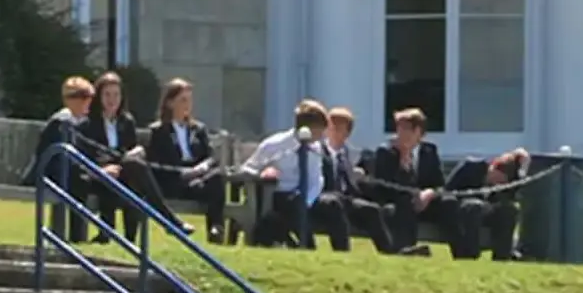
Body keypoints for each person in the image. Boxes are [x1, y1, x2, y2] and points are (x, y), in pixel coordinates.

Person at [366, 108, 489, 260]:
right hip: (398, 202)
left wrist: (429, 194)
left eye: (405, 129)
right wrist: (404, 163)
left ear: (418, 132)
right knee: (405, 202)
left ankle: (463, 253)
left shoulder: (429, 150)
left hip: (426, 202)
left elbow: (439, 184)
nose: (400, 133)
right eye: (398, 128)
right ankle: (407, 249)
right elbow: (385, 186)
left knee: (448, 202)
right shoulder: (386, 152)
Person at [246, 98, 348, 249]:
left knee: (333, 204)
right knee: (294, 204)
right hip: (279, 195)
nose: (321, 136)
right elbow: (248, 168)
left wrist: (307, 201)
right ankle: (307, 247)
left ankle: (342, 251)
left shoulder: (315, 148)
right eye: (319, 131)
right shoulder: (274, 145)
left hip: (305, 196)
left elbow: (316, 180)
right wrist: (263, 172)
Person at [141, 77, 226, 241]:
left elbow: (211, 156)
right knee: (190, 180)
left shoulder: (198, 129)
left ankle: (216, 228)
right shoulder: (159, 131)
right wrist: (183, 172)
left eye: (189, 100)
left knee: (217, 177)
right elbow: (156, 163)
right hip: (173, 181)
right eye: (183, 100)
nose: (187, 105)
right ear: (170, 103)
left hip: (196, 179)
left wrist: (203, 166)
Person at [23, 76, 97, 242]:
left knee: (82, 180)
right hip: (48, 174)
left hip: (66, 173)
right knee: (79, 181)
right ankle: (75, 237)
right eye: (83, 97)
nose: (88, 102)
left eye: (90, 98)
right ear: (70, 100)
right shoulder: (61, 122)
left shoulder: (79, 123)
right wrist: (91, 172)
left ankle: (82, 236)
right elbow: (58, 159)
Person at [321, 106, 395, 255]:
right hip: (326, 197)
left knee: (371, 209)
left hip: (346, 197)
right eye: (330, 127)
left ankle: (389, 252)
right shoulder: (319, 151)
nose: (333, 131)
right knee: (335, 203)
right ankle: (343, 252)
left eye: (338, 128)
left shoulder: (347, 153)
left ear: (347, 133)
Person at [83, 70, 145, 236]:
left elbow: (131, 148)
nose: (112, 100)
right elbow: (87, 152)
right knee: (109, 181)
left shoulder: (127, 121)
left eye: (116, 95)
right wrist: (102, 170)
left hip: (123, 170)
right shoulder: (90, 121)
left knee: (133, 184)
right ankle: (106, 233)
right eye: (107, 94)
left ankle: (131, 237)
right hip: (98, 172)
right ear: (100, 96)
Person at [441, 146, 528, 261]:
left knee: (508, 210)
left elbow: (516, 191)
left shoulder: (506, 184)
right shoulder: (471, 167)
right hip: (465, 208)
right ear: (492, 167)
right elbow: (447, 190)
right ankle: (469, 254)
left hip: (489, 211)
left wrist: (524, 163)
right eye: (496, 178)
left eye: (501, 182)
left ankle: (503, 256)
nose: (496, 183)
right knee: (474, 206)